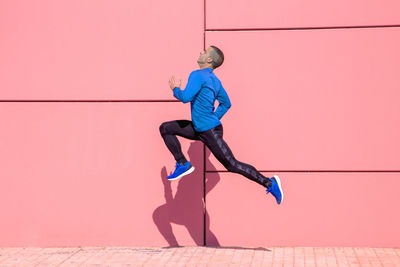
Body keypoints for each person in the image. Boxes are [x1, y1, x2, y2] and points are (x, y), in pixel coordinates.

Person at [159, 46, 283, 204]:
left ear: (209, 60)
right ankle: (183, 163)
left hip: (209, 130)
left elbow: (185, 97)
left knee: (232, 164)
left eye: (204, 52)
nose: (200, 53)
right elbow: (226, 103)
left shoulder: (197, 75)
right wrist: (211, 118)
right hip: (201, 128)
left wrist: (175, 88)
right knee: (165, 128)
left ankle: (270, 183)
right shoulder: (215, 81)